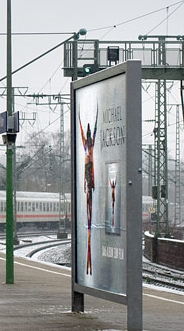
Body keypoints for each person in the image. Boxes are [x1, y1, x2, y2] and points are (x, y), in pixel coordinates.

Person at [80, 111, 96, 275]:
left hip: (89, 190)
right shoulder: (89, 156)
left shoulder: (87, 154)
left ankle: (88, 267)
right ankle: (87, 267)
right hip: (89, 190)